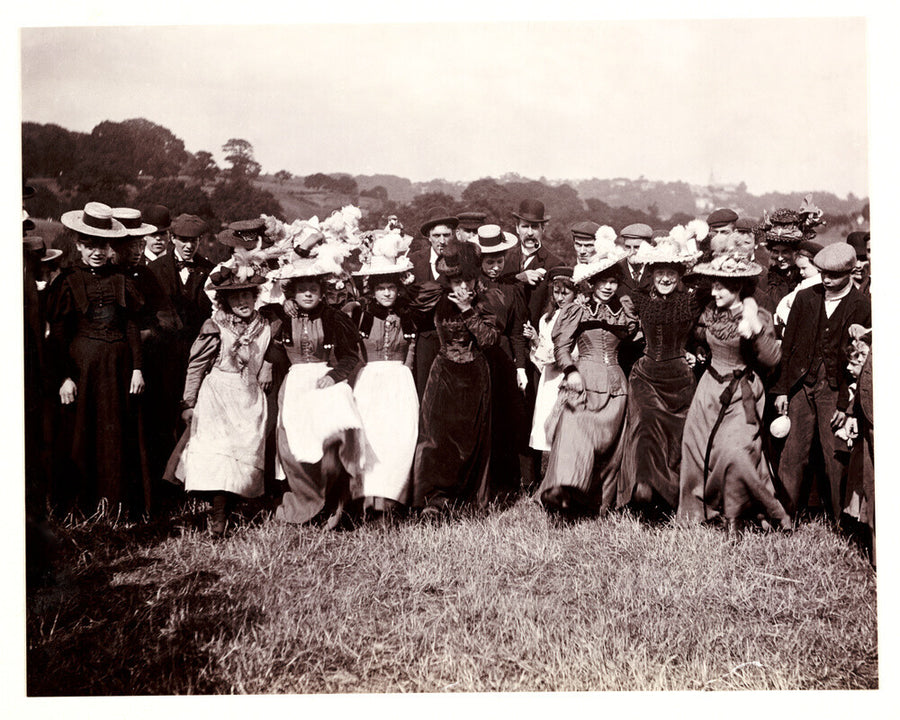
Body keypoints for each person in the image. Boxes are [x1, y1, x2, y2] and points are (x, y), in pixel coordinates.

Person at [677, 251, 792, 536]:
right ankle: (702, 513)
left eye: (721, 287)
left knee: (735, 452)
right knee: (697, 449)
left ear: (738, 288)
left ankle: (744, 513)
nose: (714, 291)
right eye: (713, 285)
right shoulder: (710, 312)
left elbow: (772, 359)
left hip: (742, 392)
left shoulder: (758, 316)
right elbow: (698, 335)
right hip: (709, 389)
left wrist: (753, 331)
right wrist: (698, 350)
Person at [46, 202, 147, 516]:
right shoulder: (67, 281)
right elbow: (59, 334)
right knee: (82, 433)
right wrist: (64, 377)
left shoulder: (121, 279)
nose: (96, 252)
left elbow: (130, 324)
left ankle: (116, 506)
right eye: (89, 246)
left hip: (118, 369)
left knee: (117, 433)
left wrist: (138, 368)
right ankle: (82, 506)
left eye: (102, 246)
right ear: (78, 246)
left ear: (109, 246)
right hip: (83, 369)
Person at [537, 240, 637, 519]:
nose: (608, 287)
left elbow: (635, 338)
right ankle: (564, 494)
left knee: (609, 446)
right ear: (591, 282)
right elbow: (561, 345)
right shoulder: (577, 308)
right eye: (602, 281)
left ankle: (598, 504)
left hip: (616, 387)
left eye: (613, 282)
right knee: (573, 436)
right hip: (582, 382)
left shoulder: (625, 310)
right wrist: (570, 371)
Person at [773, 242, 871, 526]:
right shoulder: (805, 298)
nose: (826, 279)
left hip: (835, 389)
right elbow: (788, 347)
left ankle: (842, 521)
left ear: (851, 273)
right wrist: (782, 390)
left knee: (835, 456)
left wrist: (845, 404)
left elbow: (859, 364)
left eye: (834, 275)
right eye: (823, 273)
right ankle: (784, 517)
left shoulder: (862, 306)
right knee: (792, 454)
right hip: (802, 385)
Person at [267, 253, 368, 528]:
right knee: (293, 449)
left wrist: (333, 376)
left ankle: (337, 503)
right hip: (296, 384)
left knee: (331, 445)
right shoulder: (284, 319)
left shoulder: (334, 318)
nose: (308, 295)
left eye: (313, 289)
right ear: (292, 294)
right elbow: (273, 355)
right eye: (302, 290)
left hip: (325, 382)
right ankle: (308, 504)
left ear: (322, 292)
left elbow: (351, 357)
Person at [177, 265, 276, 536]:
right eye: (235, 298)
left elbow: (279, 345)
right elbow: (196, 365)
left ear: (256, 296)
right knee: (219, 457)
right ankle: (219, 519)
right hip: (218, 393)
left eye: (246, 296)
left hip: (249, 396)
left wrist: (267, 362)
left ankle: (229, 510)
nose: (242, 302)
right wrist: (189, 402)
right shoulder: (215, 325)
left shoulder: (267, 324)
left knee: (241, 458)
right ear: (224, 301)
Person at [412, 240, 499, 518]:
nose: (461, 287)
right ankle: (433, 501)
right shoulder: (436, 297)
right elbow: (404, 305)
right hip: (443, 373)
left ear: (475, 279)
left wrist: (467, 310)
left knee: (470, 439)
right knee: (435, 437)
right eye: (455, 280)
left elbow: (488, 340)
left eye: (466, 280)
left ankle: (468, 500)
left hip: (474, 375)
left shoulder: (487, 300)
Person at [618, 231, 703, 515]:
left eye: (671, 273)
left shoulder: (691, 302)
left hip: (679, 379)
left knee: (675, 440)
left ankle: (668, 498)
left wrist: (697, 352)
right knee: (645, 428)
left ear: (680, 275)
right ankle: (643, 492)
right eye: (659, 273)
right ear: (651, 274)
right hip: (645, 376)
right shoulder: (639, 300)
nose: (665, 279)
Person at [350, 235, 419, 520]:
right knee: (372, 439)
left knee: (400, 438)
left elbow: (412, 348)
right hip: (370, 383)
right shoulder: (361, 316)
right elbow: (353, 349)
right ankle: (370, 502)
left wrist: (407, 370)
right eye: (382, 288)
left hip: (400, 382)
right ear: (373, 290)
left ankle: (392, 501)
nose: (388, 293)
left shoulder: (408, 316)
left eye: (392, 287)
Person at [148, 213, 215, 470]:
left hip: (196, 356)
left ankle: (190, 475)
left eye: (194, 241)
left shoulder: (209, 271)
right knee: (163, 414)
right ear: (172, 239)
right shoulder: (154, 270)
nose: (189, 246)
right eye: (183, 240)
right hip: (163, 356)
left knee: (193, 413)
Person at [474, 224, 531, 502]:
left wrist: (520, 367)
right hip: (477, 356)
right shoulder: (472, 286)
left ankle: (507, 486)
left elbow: (517, 331)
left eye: (499, 261)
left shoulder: (513, 288)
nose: (495, 267)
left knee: (505, 421)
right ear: (480, 261)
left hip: (504, 358)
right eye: (489, 262)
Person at [525, 266, 576, 459]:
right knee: (549, 426)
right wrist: (536, 340)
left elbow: (568, 351)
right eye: (556, 292)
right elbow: (544, 354)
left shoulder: (576, 315)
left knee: (566, 425)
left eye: (566, 293)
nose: (561, 298)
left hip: (568, 374)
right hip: (550, 378)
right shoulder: (547, 318)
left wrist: (549, 352)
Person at [408, 207, 459, 400]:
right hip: (424, 339)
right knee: (425, 392)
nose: (442, 240)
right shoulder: (413, 261)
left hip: (454, 340)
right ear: (429, 237)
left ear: (453, 235)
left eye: (446, 235)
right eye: (436, 235)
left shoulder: (462, 261)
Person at [774, 240, 823, 330]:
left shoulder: (814, 285)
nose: (801, 272)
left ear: (817, 266)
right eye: (799, 268)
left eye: (804, 268)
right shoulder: (805, 282)